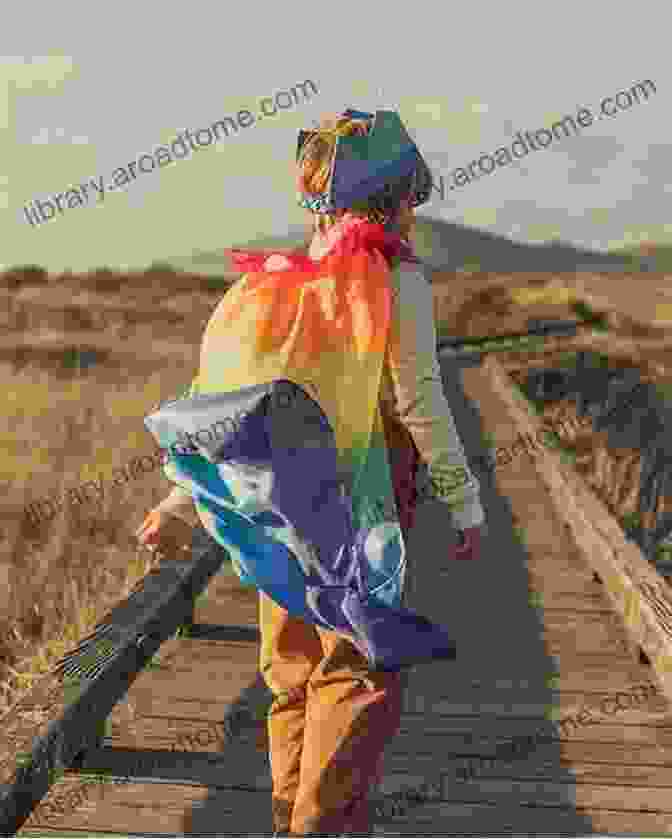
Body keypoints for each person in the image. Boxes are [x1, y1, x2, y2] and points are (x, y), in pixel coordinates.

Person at [136, 108, 485, 836]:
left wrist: (177, 501)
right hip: (360, 511)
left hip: (280, 513)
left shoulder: (274, 284)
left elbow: (224, 411)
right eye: (410, 197)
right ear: (395, 199)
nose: (415, 211)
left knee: (290, 674)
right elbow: (422, 404)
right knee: (356, 671)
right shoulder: (395, 278)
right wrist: (465, 501)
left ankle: (290, 823)